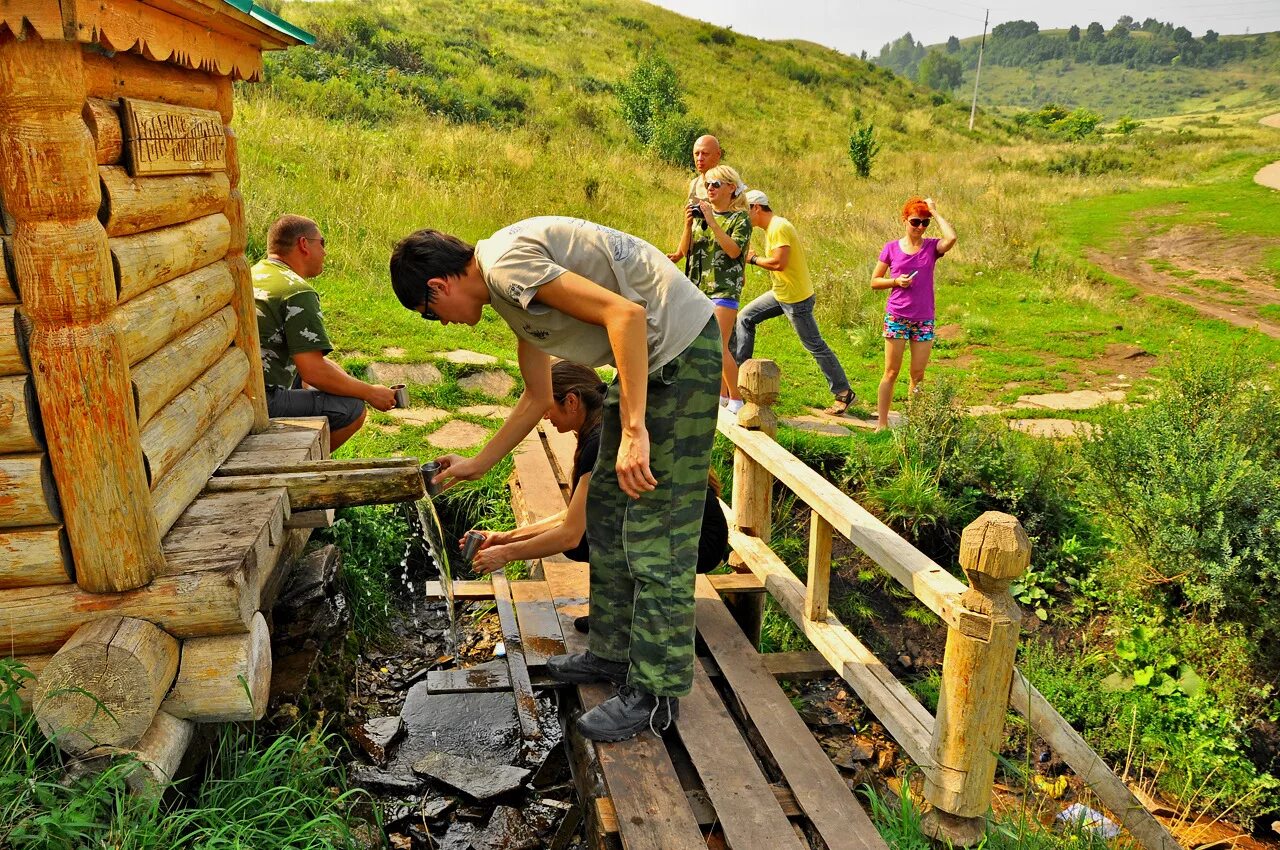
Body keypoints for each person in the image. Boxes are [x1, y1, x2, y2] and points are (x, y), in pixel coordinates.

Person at [389, 217, 720, 742]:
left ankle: (657, 696)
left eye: (431, 314)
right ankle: (612, 655)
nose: (443, 325)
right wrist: (479, 462)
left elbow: (626, 314)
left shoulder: (504, 266)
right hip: (648, 367)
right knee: (607, 513)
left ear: (439, 285)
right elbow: (538, 397)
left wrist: (634, 429)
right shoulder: (508, 296)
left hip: (678, 360)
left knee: (658, 536)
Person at [462, 360, 730, 633]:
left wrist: (506, 554)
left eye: (546, 408)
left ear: (571, 401)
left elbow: (570, 534)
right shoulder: (606, 426)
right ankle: (621, 607)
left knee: (585, 542)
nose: (544, 417)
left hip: (698, 542)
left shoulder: (601, 442)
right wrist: (505, 536)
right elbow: (575, 516)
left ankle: (621, 615)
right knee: (594, 530)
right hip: (687, 530)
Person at [253, 215, 395, 450]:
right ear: (303, 244)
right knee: (352, 408)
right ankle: (304, 466)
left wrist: (352, 381)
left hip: (244, 388)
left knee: (329, 381)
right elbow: (314, 372)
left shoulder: (255, 273)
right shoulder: (296, 292)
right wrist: (370, 392)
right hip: (263, 400)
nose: (325, 252)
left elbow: (311, 362)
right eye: (322, 243)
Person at [737, 190, 856, 417]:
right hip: (781, 294)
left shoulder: (779, 227)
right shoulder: (771, 229)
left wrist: (752, 259)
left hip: (796, 299)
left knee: (814, 345)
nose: (744, 217)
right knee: (745, 317)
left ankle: (843, 392)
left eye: (745, 211)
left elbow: (778, 263)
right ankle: (741, 376)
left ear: (756, 208)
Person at [870, 197, 957, 430]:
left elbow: (952, 238)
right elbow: (874, 281)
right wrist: (896, 281)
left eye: (925, 223)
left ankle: (914, 425)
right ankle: (882, 423)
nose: (920, 227)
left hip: (924, 319)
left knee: (918, 375)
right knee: (890, 372)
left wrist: (935, 212)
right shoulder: (890, 248)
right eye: (915, 222)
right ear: (904, 220)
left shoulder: (931, 247)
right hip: (897, 316)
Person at [673, 164, 751, 411]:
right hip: (698, 287)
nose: (709, 189)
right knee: (705, 346)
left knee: (718, 343)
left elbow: (733, 250)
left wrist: (713, 223)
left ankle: (737, 398)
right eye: (707, 185)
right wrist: (688, 225)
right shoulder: (700, 216)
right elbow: (686, 250)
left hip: (724, 289)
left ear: (731, 188)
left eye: (715, 185)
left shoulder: (740, 219)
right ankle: (720, 396)